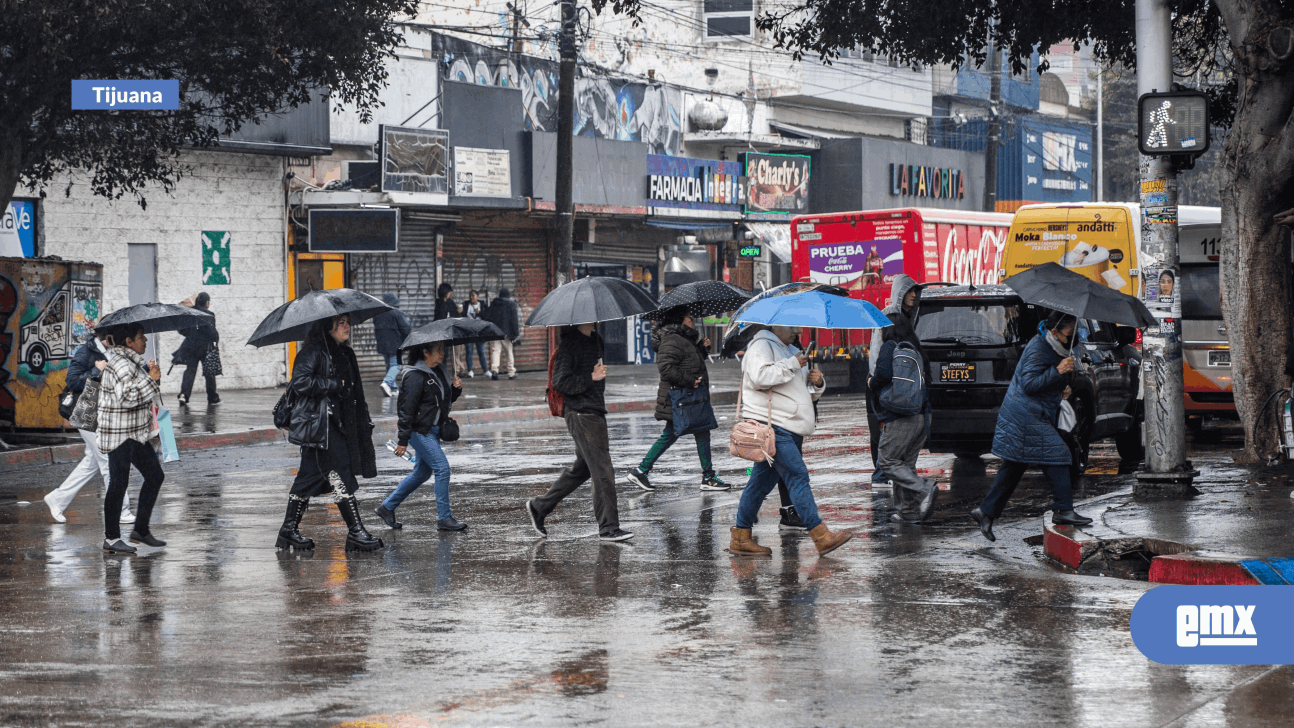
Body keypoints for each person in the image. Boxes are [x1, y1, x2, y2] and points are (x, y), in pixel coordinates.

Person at [728, 325, 853, 557]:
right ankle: (821, 536)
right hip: (775, 426)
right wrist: (794, 364)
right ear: (776, 325)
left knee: (759, 484)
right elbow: (759, 377)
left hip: (789, 426)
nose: (797, 330)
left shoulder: (789, 349)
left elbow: (799, 391)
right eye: (791, 326)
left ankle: (741, 537)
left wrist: (816, 383)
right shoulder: (761, 346)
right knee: (797, 476)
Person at [970, 312, 1094, 542]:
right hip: (1025, 414)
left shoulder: (1056, 348)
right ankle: (1063, 509)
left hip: (1033, 412)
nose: (1074, 333)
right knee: (1058, 453)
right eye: (1070, 329)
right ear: (1056, 330)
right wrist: (1057, 372)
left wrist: (1062, 385)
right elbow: (1029, 383)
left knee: (1014, 465)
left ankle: (985, 512)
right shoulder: (1039, 347)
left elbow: (1046, 381)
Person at [275, 314, 384, 552]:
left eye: (347, 321)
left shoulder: (343, 351)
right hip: (321, 427)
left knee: (306, 480)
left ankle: (288, 530)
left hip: (339, 424)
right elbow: (301, 382)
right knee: (340, 475)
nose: (347, 326)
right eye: (341, 322)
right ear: (328, 325)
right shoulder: (313, 351)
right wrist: (333, 384)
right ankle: (356, 532)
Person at [524, 323, 633, 542]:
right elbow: (560, 381)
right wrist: (590, 378)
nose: (593, 318)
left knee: (583, 469)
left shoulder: (596, 340)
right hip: (581, 414)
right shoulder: (570, 345)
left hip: (595, 410)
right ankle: (609, 527)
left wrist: (596, 381)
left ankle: (539, 507)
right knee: (603, 471)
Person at [625, 306, 728, 492]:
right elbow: (666, 368)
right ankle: (642, 470)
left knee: (700, 431)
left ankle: (708, 476)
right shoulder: (672, 339)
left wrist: (701, 350)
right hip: (679, 397)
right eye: (689, 317)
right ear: (680, 320)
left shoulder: (684, 339)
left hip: (690, 397)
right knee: (673, 433)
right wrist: (690, 381)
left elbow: (689, 362)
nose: (693, 320)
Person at [43, 328, 135, 525]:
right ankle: (121, 510)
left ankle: (57, 499)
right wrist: (96, 371)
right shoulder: (86, 352)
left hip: (104, 413)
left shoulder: (114, 352)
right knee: (110, 461)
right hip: (86, 413)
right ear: (107, 336)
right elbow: (72, 381)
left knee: (92, 463)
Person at [376, 341, 465, 531]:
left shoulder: (439, 371)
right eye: (438, 350)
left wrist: (455, 390)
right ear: (425, 352)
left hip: (432, 430)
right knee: (442, 468)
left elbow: (441, 402)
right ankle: (444, 518)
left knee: (422, 473)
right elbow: (406, 410)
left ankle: (386, 507)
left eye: (443, 349)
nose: (442, 354)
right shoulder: (414, 375)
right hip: (420, 432)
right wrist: (402, 440)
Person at [97, 323, 165, 553]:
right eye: (140, 337)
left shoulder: (131, 362)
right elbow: (128, 397)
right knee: (118, 483)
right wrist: (150, 379)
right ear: (128, 341)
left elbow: (141, 392)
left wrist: (151, 376)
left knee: (155, 475)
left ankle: (141, 530)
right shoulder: (122, 365)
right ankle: (112, 538)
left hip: (134, 432)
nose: (145, 341)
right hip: (119, 433)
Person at [869, 322, 938, 524]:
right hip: (922, 415)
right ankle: (908, 512)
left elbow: (881, 374)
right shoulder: (916, 350)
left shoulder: (890, 347)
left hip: (900, 416)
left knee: (887, 461)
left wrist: (871, 383)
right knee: (905, 465)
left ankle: (924, 487)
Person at [867, 275, 926, 491]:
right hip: (885, 384)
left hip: (898, 385)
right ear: (900, 293)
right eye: (910, 291)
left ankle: (906, 501)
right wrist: (875, 382)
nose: (914, 295)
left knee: (894, 437)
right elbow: (877, 352)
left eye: (915, 291)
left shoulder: (909, 316)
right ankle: (882, 475)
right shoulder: (889, 316)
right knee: (884, 432)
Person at [172, 292, 220, 406]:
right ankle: (212, 398)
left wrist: (191, 334)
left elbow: (181, 329)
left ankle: (184, 395)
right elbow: (212, 333)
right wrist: (215, 339)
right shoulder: (209, 314)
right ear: (207, 302)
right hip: (205, 347)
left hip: (191, 346)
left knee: (190, 371)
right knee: (209, 372)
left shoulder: (190, 313)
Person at [372, 293, 411, 397]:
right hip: (397, 345)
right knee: (396, 365)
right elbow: (406, 329)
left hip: (383, 345)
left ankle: (393, 388)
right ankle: (386, 382)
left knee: (389, 365)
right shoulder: (397, 313)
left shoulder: (377, 314)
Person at [484, 287, 521, 380]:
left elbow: (487, 316)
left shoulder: (494, 303)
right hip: (507, 334)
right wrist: (515, 334)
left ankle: (494, 371)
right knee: (509, 352)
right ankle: (511, 372)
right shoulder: (511, 304)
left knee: (496, 351)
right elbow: (514, 321)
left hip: (496, 332)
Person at [462, 290, 489, 378]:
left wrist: (479, 313)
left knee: (481, 351)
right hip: (469, 332)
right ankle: (470, 371)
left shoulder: (482, 305)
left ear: (477, 297)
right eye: (470, 296)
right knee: (469, 351)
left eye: (473, 296)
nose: (471, 298)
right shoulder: (465, 305)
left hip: (480, 333)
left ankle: (486, 370)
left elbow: (487, 317)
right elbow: (462, 317)